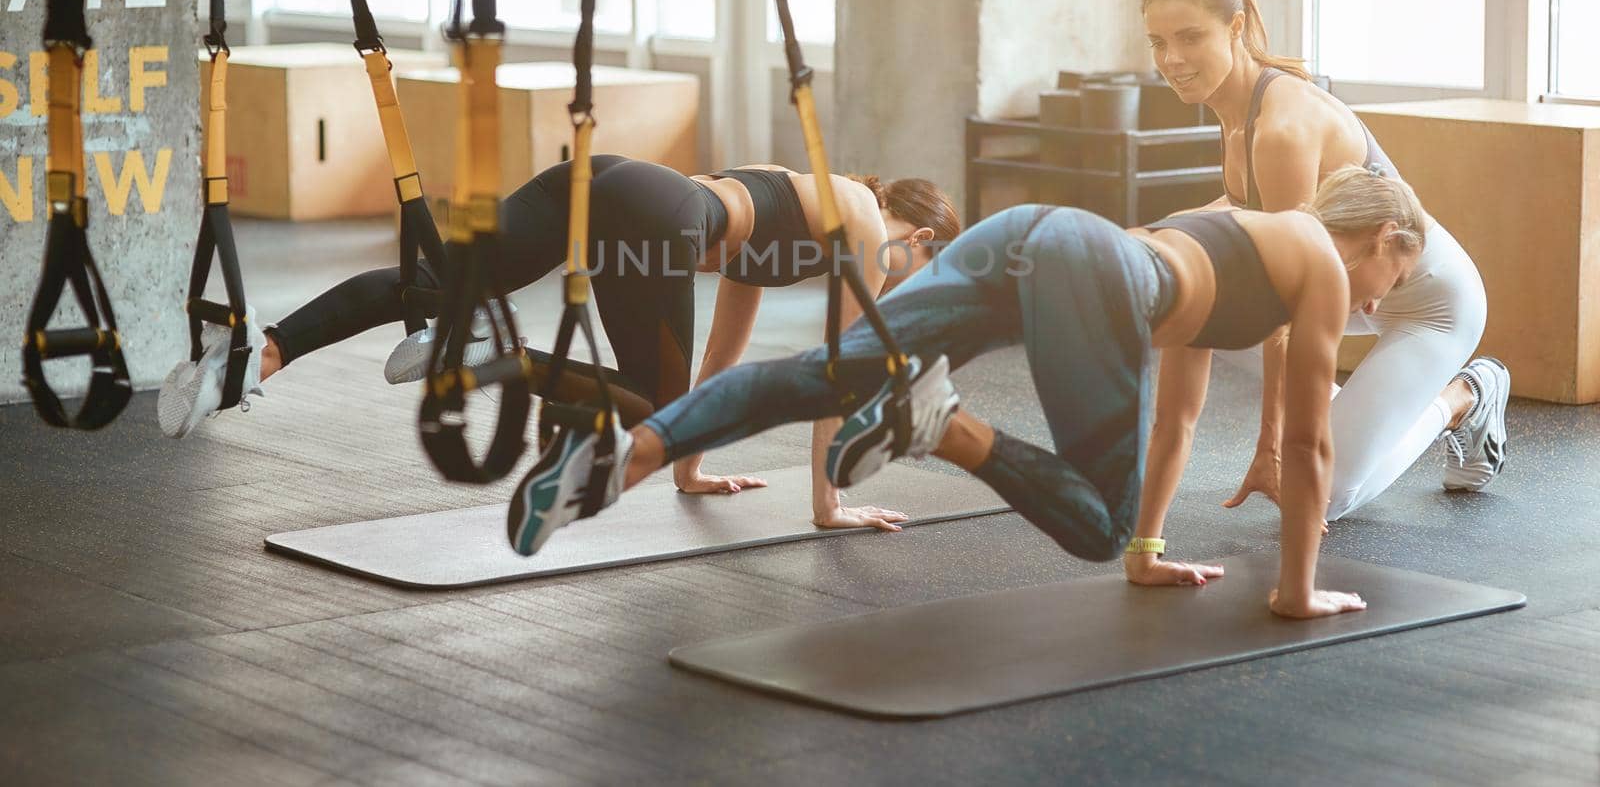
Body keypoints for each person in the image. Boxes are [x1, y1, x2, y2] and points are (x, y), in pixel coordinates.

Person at [509, 166, 1427, 619]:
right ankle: (941, 424)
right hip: (1094, 270)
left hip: (1033, 230)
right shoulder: (1320, 268)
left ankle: (628, 455)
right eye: (1398, 272)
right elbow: (1311, 445)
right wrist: (1297, 590)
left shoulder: (1242, 225)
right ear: (1384, 233)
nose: (1382, 302)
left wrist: (1151, 549)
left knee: (822, 373)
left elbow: (1178, 416)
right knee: (1091, 530)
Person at [158, 155, 959, 529]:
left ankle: (253, 356)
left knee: (432, 288)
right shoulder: (857, 221)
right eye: (923, 264)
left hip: (607, 180)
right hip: (654, 218)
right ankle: (493, 355)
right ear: (918, 235)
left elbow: (719, 360)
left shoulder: (804, 207)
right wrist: (829, 508)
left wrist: (692, 470)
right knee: (648, 401)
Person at [1140, 0, 1508, 521]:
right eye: (1158, 42)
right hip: (1348, 289)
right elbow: (1246, 213)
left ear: (1235, 28)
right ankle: (1370, 411)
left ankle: (1461, 398)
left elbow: (1285, 298)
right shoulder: (1233, 108)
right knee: (1199, 304)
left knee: (1321, 496)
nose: (1172, 59)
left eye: (1190, 37)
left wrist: (1272, 445)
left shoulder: (1281, 128)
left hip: (1427, 301)